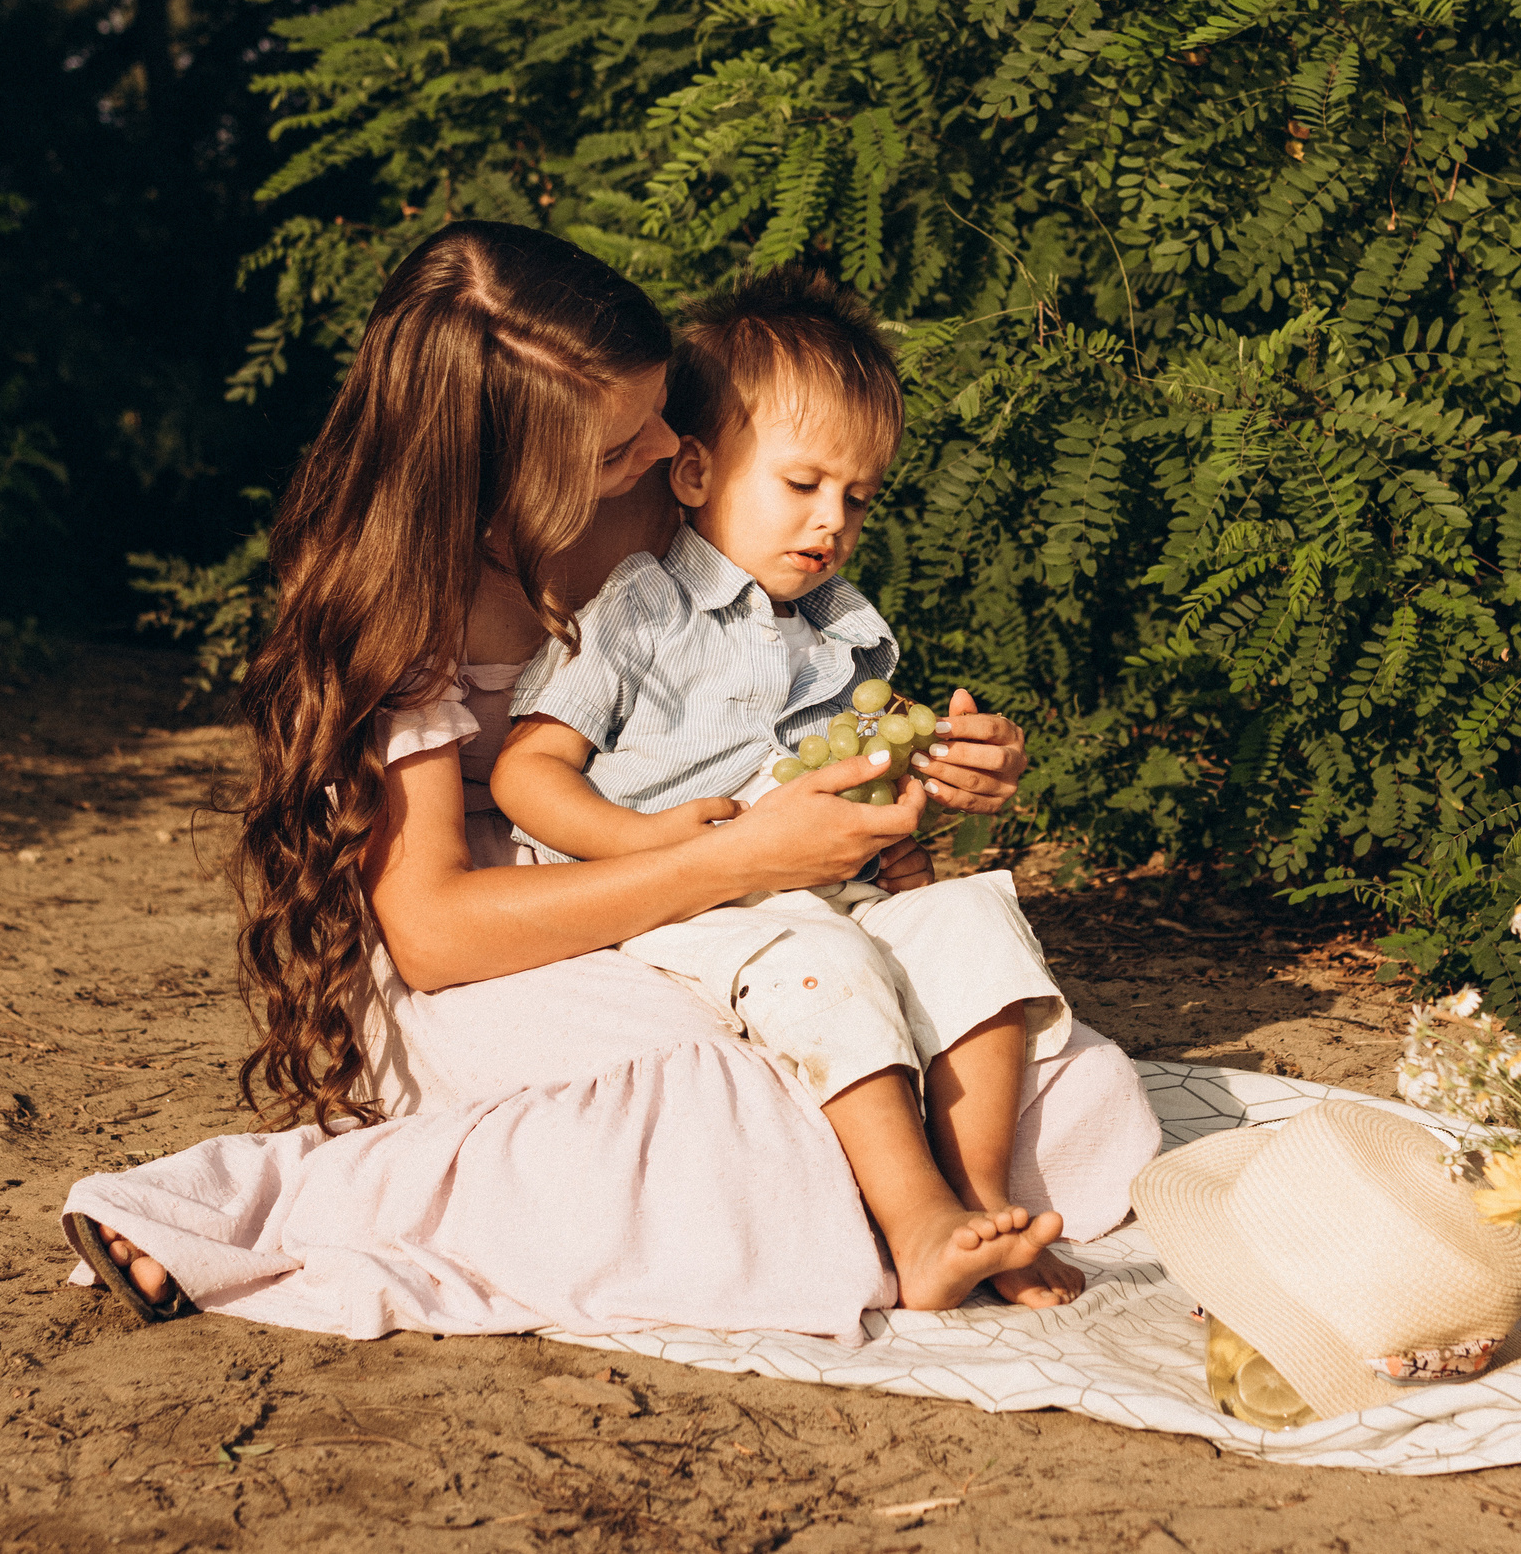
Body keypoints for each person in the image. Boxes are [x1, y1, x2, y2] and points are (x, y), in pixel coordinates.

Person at [59, 222, 1159, 1338]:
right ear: (498, 466)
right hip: (513, 928)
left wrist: (916, 763)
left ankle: (916, 1212)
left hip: (723, 884)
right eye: (617, 445)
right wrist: (724, 860)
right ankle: (253, 1206)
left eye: (660, 421)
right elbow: (436, 932)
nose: (662, 451)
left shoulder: (666, 494)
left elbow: (781, 712)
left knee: (1055, 1081)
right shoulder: (399, 598)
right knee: (730, 1111)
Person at [491, 268, 1087, 1307]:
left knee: (970, 918)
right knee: (824, 959)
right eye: (802, 484)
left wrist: (909, 807)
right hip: (688, 896)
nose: (832, 523)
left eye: (857, 498)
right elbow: (525, 769)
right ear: (691, 475)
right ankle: (917, 1224)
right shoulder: (639, 608)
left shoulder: (842, 629)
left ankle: (983, 1199)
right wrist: (647, 846)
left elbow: (847, 782)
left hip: (814, 883)